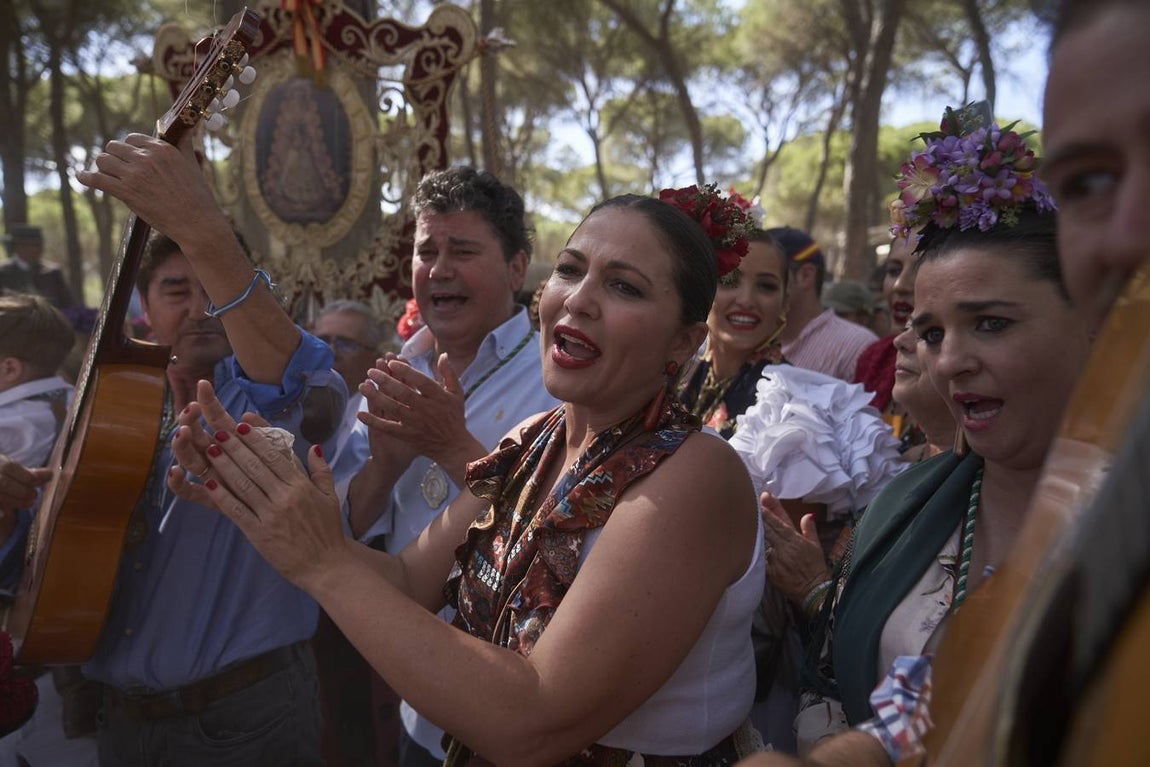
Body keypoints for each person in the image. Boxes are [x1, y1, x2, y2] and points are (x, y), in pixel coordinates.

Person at [168, 189, 767, 765]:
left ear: (685, 341)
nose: (579, 299)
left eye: (624, 287)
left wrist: (320, 560)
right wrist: (268, 501)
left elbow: (532, 721)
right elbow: (405, 582)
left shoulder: (696, 474)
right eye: (570, 269)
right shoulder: (533, 439)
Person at [750, 110, 1090, 766]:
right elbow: (878, 700)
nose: (950, 360)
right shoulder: (904, 507)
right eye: (931, 332)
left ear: (1094, 320)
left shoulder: (1120, 522)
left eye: (990, 323)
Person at [32, 133, 347, 766]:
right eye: (178, 290)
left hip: (248, 722)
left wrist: (204, 229)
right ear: (143, 306)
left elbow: (297, 370)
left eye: (215, 289)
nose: (202, 308)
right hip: (121, 726)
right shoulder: (103, 407)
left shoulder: (278, 396)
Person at [338, 167, 560, 765]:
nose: (438, 270)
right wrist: (382, 470)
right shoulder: (394, 373)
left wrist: (453, 444)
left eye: (462, 251)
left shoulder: (556, 382)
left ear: (517, 268)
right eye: (426, 250)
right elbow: (348, 528)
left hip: (514, 711)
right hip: (418, 711)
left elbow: (560, 526)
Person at [678, 227, 788, 437]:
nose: (746, 300)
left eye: (766, 286)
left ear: (785, 304)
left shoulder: (786, 401)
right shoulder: (685, 373)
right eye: (729, 281)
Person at [769, 227, 877, 382]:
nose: (747, 296)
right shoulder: (749, 341)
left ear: (805, 276)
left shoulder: (857, 347)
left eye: (766, 281)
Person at [0, 226, 78, 309]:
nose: (40, 249)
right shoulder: (3, 273)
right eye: (34, 245)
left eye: (40, 245)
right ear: (18, 247)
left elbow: (69, 304)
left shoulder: (52, 272)